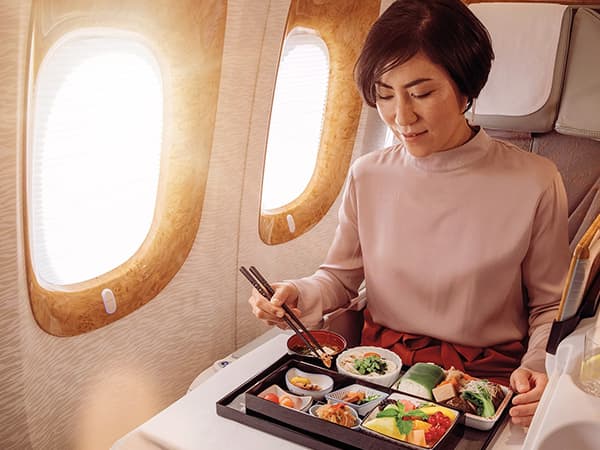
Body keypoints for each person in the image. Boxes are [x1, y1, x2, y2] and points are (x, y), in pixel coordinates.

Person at [248, 0, 569, 428]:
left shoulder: (535, 181)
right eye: (384, 94)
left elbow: (551, 306)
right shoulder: (368, 174)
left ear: (466, 87)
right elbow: (340, 279)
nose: (401, 116)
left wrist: (538, 369)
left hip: (484, 385)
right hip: (378, 371)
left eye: (421, 93)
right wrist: (296, 294)